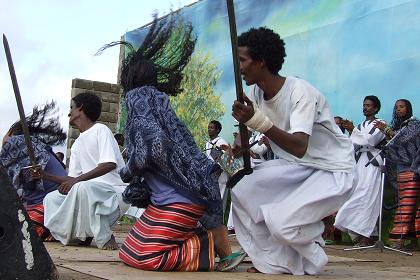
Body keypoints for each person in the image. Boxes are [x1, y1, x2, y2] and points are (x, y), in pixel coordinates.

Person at [98, 15, 243, 271]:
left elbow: (154, 145)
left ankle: (206, 244)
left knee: (143, 257)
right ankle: (203, 237)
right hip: (176, 198)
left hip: (179, 201)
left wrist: (128, 170)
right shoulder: (159, 102)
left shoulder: (137, 101)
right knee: (128, 251)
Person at [231, 27, 355, 275]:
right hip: (299, 167)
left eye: (243, 60)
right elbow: (260, 132)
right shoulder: (257, 92)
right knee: (243, 188)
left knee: (281, 222)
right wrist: (242, 138)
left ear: (261, 61)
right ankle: (275, 262)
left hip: (333, 170)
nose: (240, 67)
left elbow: (299, 146)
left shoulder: (300, 92)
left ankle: (315, 254)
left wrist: (257, 121)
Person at [42, 92, 129, 250]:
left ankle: (104, 236)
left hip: (114, 193)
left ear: (80, 108)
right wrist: (44, 176)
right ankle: (78, 236)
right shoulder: (76, 144)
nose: (69, 112)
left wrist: (76, 182)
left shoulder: (101, 130)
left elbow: (109, 164)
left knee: (81, 188)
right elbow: (72, 179)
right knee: (52, 198)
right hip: (87, 192)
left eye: (71, 108)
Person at [0, 102, 67, 241]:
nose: (4, 141)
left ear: (12, 133)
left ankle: (50, 231)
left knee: (15, 231)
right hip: (54, 205)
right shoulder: (33, 150)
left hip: (47, 206)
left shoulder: (17, 142)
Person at [334, 95, 386, 246]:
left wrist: (353, 130)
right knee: (357, 194)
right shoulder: (361, 125)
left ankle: (366, 235)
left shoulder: (380, 123)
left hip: (373, 162)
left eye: (369, 105)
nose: (365, 107)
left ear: (376, 108)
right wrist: (350, 132)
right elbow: (353, 145)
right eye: (364, 105)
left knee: (369, 196)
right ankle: (365, 233)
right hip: (361, 163)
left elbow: (370, 141)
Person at [374, 99, 420, 250]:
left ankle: (398, 239)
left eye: (402, 107)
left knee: (406, 205)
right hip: (400, 168)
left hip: (412, 168)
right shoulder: (397, 126)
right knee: (407, 204)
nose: (399, 109)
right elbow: (392, 143)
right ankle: (412, 241)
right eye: (397, 107)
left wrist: (387, 131)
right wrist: (386, 133)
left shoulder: (414, 124)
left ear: (408, 108)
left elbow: (404, 139)